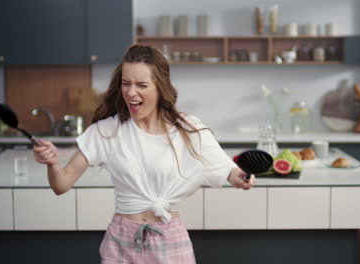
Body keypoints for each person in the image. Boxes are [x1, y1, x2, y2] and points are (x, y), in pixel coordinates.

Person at [33, 44, 256, 264]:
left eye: (141, 84)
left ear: (160, 87)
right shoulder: (107, 131)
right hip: (121, 243)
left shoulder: (189, 129)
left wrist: (242, 177)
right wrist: (52, 163)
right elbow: (61, 184)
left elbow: (229, 171)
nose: (131, 92)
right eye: (126, 83)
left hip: (170, 243)